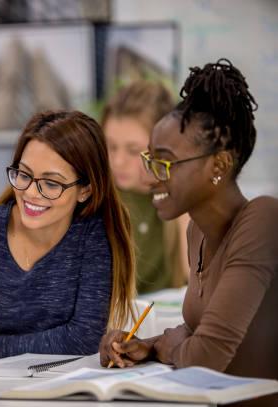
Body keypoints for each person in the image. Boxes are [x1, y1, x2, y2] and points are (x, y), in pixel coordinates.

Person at [99, 59, 278, 406]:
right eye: (150, 161)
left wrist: (172, 347)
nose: (151, 177)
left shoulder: (262, 220)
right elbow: (196, 337)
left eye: (163, 162)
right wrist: (146, 346)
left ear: (219, 165)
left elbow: (205, 355)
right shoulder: (196, 231)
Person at [0, 110, 137, 359]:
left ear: (85, 190)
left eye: (51, 183)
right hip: (2, 378)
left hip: (68, 378)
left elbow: (83, 337)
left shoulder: (93, 235)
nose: (31, 193)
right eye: (24, 174)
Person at [102, 81, 188, 293]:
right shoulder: (100, 200)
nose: (118, 161)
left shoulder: (180, 195)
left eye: (133, 150)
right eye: (111, 147)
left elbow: (198, 276)